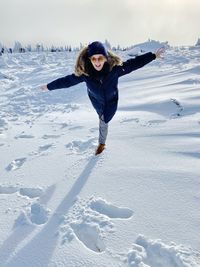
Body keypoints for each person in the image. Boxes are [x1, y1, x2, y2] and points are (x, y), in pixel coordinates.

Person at [41, 41, 164, 155]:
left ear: (105, 58)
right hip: (97, 102)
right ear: (90, 59)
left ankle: (101, 143)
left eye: (100, 58)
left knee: (104, 121)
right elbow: (67, 81)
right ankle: (102, 143)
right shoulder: (86, 74)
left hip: (111, 102)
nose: (97, 62)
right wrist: (49, 86)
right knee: (102, 118)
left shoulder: (114, 70)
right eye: (93, 58)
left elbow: (133, 64)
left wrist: (152, 56)